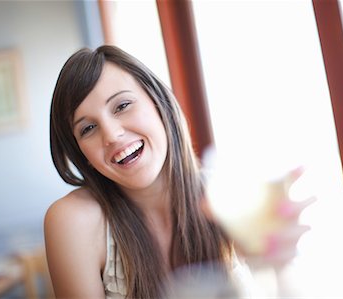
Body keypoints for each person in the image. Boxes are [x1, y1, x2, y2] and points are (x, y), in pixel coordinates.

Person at [45, 45, 311, 299]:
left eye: (122, 106)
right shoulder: (75, 221)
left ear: (159, 103)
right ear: (83, 155)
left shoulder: (225, 197)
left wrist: (276, 264)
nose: (112, 135)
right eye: (88, 129)